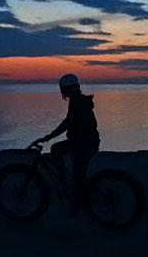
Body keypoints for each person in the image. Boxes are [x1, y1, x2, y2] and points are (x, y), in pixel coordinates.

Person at [32, 73, 100, 219]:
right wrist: (49, 137)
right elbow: (69, 122)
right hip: (82, 141)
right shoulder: (77, 101)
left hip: (85, 144)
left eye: (71, 88)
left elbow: (68, 123)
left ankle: (73, 216)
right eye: (66, 89)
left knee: (77, 181)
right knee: (56, 149)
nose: (68, 91)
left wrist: (49, 136)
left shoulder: (79, 103)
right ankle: (63, 180)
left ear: (76, 88)